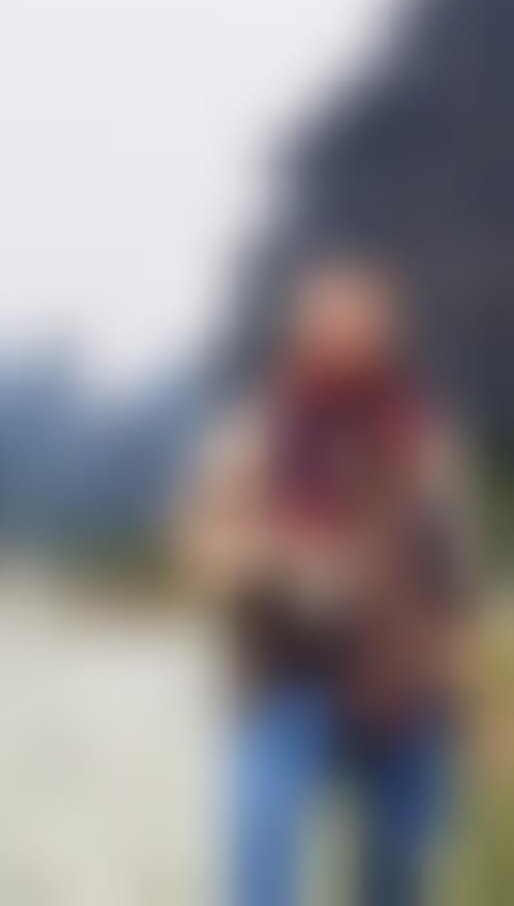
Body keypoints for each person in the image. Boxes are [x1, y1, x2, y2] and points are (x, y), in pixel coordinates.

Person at [174, 257, 477, 906]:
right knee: (261, 854)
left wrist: (460, 684)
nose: (347, 342)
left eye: (363, 328)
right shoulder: (254, 433)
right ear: (303, 335)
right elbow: (202, 552)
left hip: (402, 686)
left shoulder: (422, 439)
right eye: (331, 327)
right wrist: (281, 563)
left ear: (388, 337)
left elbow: (454, 569)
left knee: (396, 873)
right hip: (286, 675)